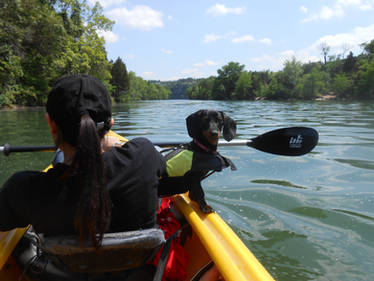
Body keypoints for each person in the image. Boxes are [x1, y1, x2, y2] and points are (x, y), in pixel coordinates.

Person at [0, 74, 165, 278]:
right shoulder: (144, 155)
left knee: (23, 245)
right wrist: (118, 148)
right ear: (111, 123)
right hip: (133, 274)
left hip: (66, 273)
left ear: (51, 124)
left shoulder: (26, 190)